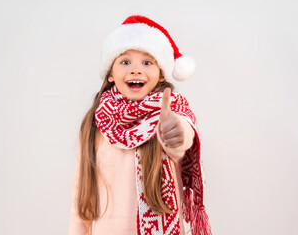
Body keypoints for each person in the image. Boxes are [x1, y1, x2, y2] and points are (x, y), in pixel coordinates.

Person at [68, 15, 212, 235]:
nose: (136, 70)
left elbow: (182, 137)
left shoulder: (171, 113)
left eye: (147, 62)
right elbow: (80, 198)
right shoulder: (97, 123)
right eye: (125, 62)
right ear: (110, 75)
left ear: (161, 74)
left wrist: (177, 132)